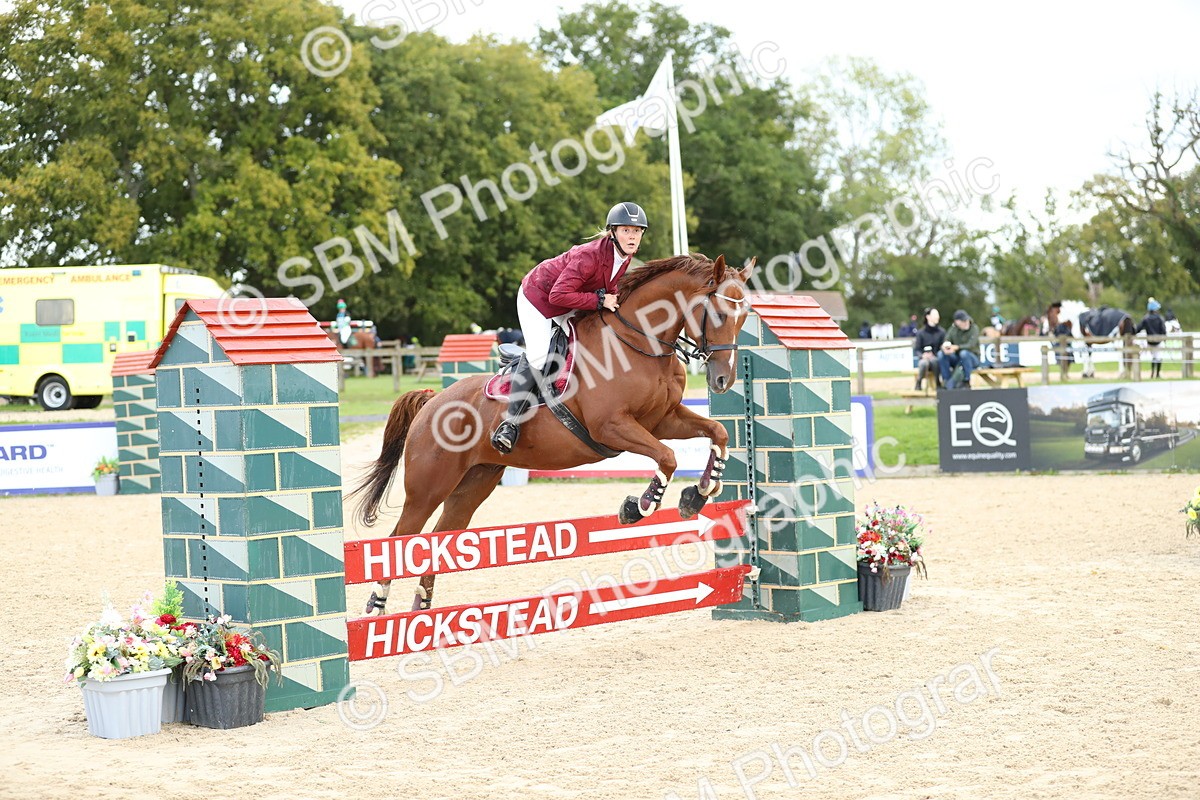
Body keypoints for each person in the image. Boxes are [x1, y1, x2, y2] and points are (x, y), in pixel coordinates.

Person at [490, 202, 647, 454]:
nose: (632, 236)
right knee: (540, 356)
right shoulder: (589, 256)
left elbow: (607, 287)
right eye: (626, 230)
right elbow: (557, 295)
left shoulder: (624, 258)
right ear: (613, 232)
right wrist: (600, 301)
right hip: (538, 299)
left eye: (637, 231)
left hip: (569, 301)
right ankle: (509, 424)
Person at [938, 309, 980, 389]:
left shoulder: (974, 328)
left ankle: (967, 381)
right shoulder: (953, 329)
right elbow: (946, 340)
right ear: (957, 322)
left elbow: (971, 345)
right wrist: (945, 348)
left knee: (964, 353)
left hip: (972, 358)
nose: (966, 322)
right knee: (941, 354)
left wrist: (957, 347)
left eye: (966, 320)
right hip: (958, 358)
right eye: (963, 321)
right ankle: (946, 380)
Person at [912, 308, 945, 389]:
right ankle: (918, 383)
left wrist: (934, 355)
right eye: (935, 315)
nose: (937, 317)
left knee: (934, 361)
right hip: (924, 358)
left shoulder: (942, 332)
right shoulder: (921, 333)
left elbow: (942, 347)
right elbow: (917, 349)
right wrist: (922, 355)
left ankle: (937, 383)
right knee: (923, 363)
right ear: (928, 317)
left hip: (936, 358)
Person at [1136, 298, 1167, 378]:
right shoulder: (1160, 318)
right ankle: (1157, 374)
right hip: (1158, 341)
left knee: (1154, 357)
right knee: (1158, 357)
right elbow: (1163, 330)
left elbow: (1138, 329)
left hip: (1149, 342)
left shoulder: (1145, 318)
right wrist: (1164, 338)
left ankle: (1152, 373)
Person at [1045, 301, 1074, 380]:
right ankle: (1063, 373)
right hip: (1057, 339)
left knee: (1067, 356)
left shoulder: (1059, 315)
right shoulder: (1052, 316)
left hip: (1064, 338)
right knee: (1061, 356)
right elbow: (1053, 328)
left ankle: (1065, 373)